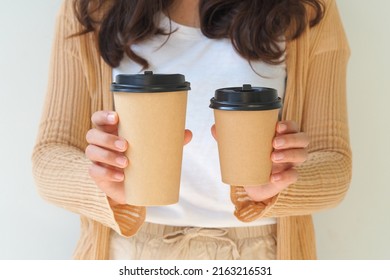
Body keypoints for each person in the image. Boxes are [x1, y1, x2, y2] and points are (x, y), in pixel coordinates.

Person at [32, 0, 352, 260]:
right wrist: (103, 180)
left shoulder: (306, 8)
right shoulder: (93, 8)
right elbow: (50, 153)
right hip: (130, 252)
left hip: (261, 253)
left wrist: (275, 184)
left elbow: (335, 160)